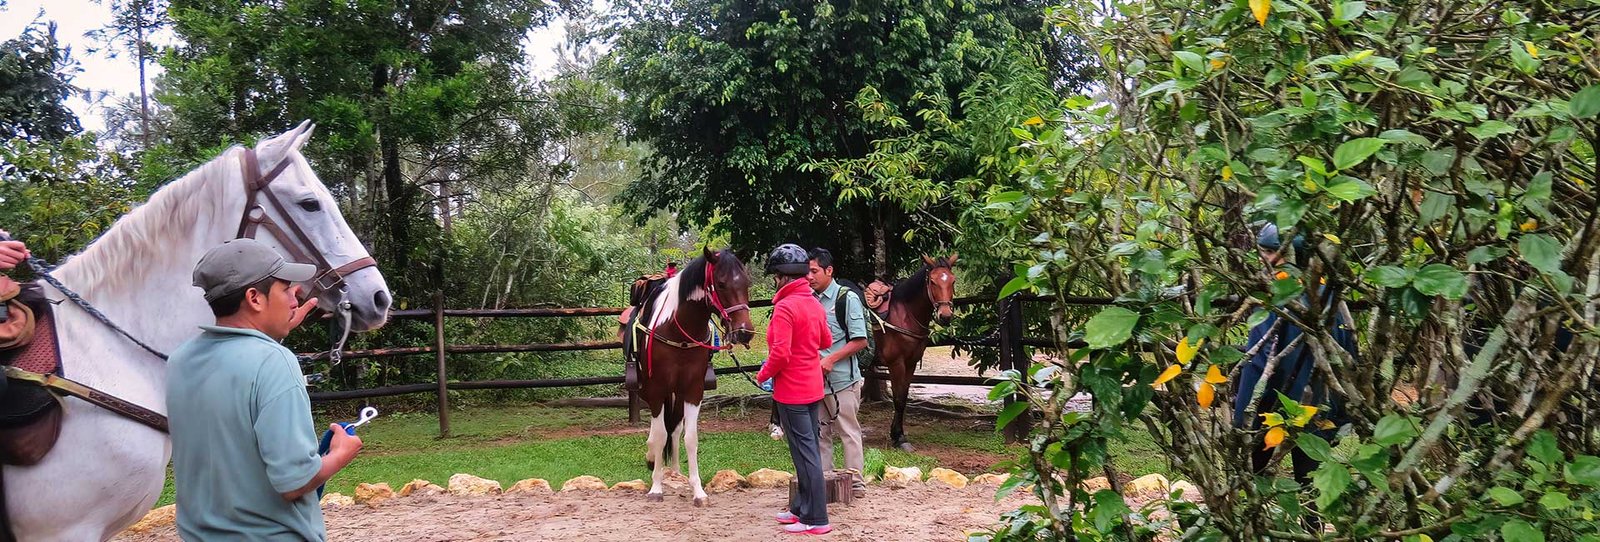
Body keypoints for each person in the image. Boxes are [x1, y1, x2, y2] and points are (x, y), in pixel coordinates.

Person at [166, 238, 362, 541]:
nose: (296, 298)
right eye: (286, 289)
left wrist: (271, 338)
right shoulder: (273, 363)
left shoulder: (181, 360)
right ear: (255, 299)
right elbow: (295, 481)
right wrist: (340, 454)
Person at [1232, 224, 1355, 527]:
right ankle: (1310, 531)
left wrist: (1242, 419)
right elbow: (1348, 357)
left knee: (1254, 486)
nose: (1265, 258)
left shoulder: (1278, 296)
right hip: (1319, 411)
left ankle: (1256, 529)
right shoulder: (1334, 296)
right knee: (1311, 487)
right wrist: (1340, 415)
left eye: (1270, 251)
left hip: (1272, 413)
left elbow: (1261, 365)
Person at [754, 243, 833, 535]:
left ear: (782, 276)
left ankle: (817, 518)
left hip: (792, 391)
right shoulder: (813, 301)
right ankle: (801, 507)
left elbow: (781, 354)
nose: (775, 280)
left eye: (775, 276)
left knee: (806, 452)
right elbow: (825, 341)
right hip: (812, 387)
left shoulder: (786, 306)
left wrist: (763, 374)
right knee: (804, 449)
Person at [806, 248, 869, 498]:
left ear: (829, 270)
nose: (809, 277)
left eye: (814, 271)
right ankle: (826, 483)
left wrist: (831, 358)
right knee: (820, 432)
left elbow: (860, 339)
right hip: (815, 383)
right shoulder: (808, 299)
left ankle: (855, 483)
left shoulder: (847, 298)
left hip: (843, 382)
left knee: (848, 431)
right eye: (806, 272)